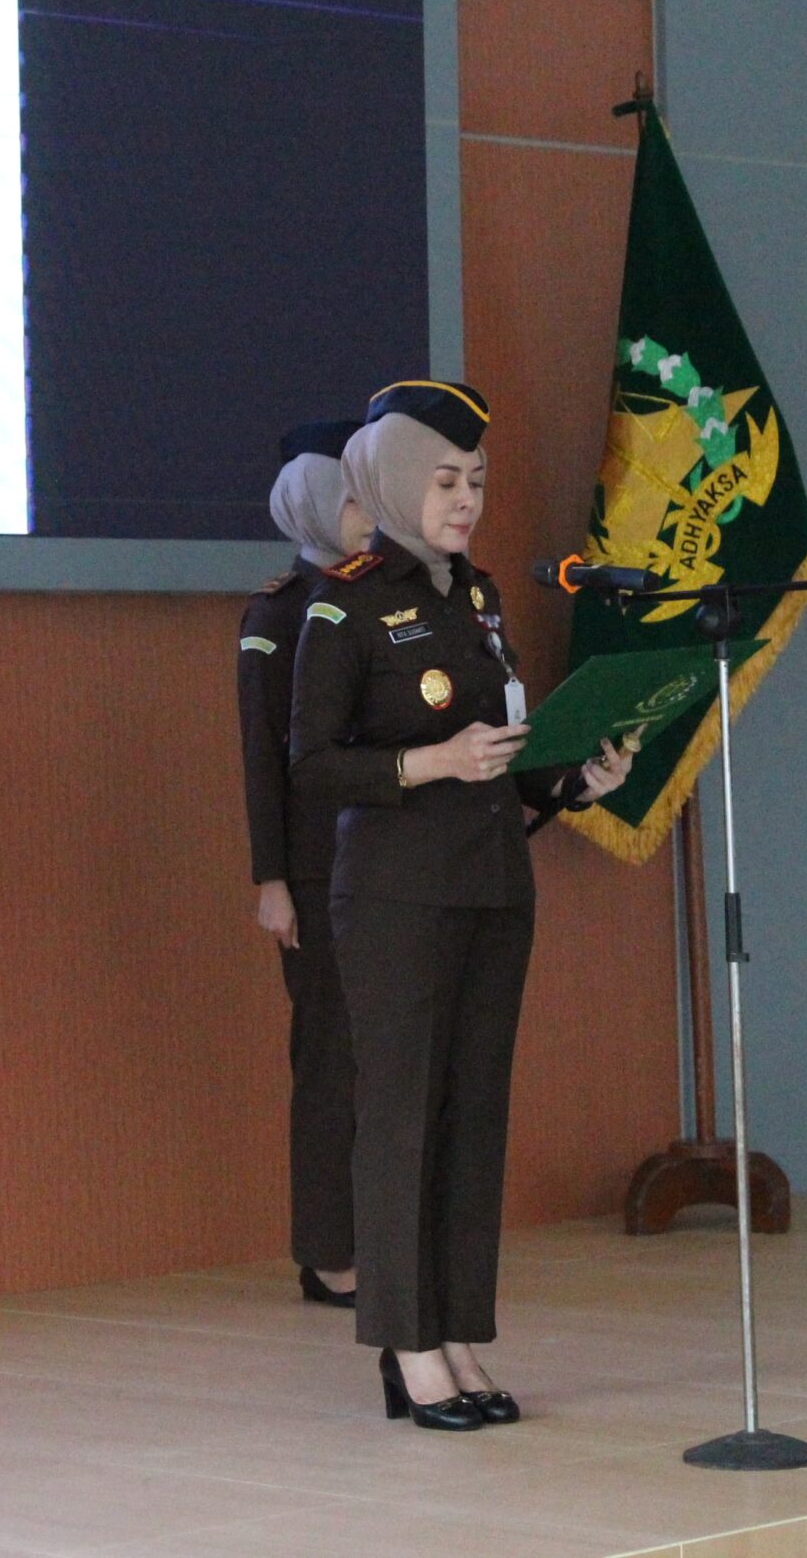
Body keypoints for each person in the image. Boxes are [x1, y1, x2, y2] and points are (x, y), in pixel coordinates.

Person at [290, 379, 634, 1431]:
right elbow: (313, 764)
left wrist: (577, 780)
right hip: (395, 896)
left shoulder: (477, 600)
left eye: (476, 481)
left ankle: (456, 1329)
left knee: (472, 1115)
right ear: (395, 484)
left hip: (490, 886)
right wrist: (430, 761)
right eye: (444, 481)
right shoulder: (344, 606)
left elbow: (507, 752)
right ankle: (406, 1345)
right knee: (401, 1118)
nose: (465, 500)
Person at [237, 419, 375, 1308]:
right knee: (330, 1060)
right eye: (352, 495)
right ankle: (329, 1254)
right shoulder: (280, 613)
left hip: (385, 862)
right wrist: (273, 880)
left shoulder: (382, 598)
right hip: (316, 871)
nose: (369, 512)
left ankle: (375, 1237)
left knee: (379, 1062)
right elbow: (262, 755)